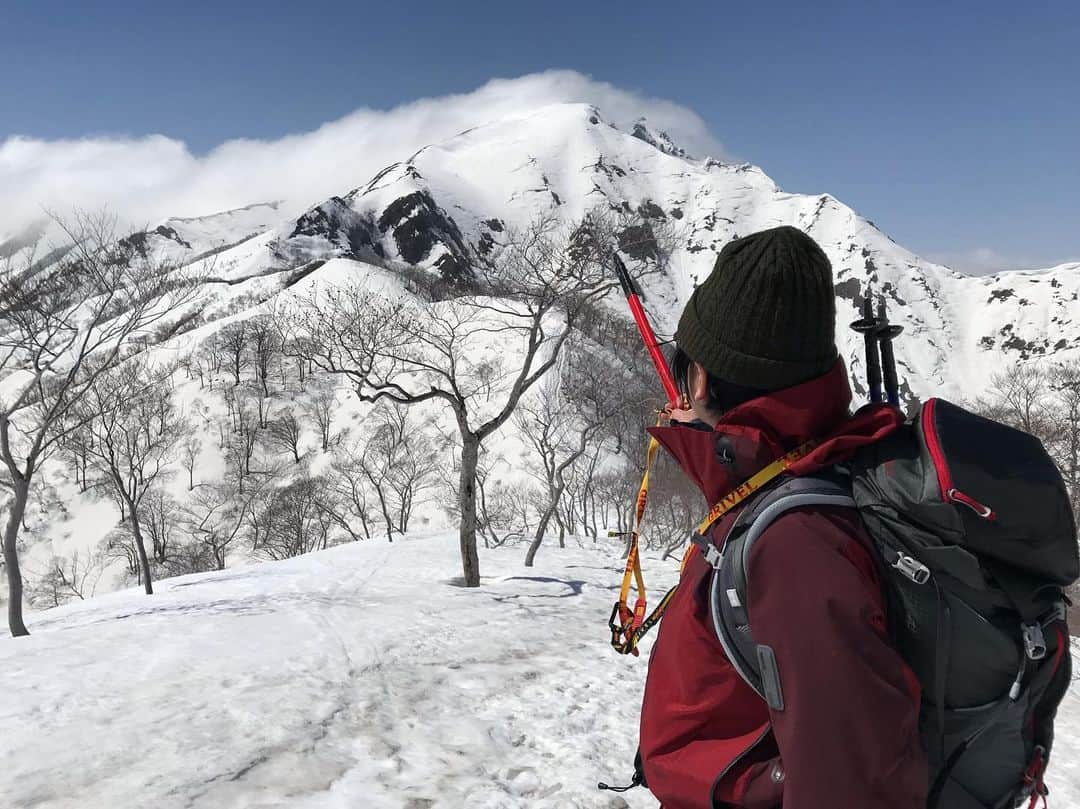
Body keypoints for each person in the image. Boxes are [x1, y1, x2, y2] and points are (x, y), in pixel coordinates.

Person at [638, 226, 926, 808]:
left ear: (698, 378)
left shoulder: (795, 546)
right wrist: (715, 447)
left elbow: (851, 788)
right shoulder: (805, 466)